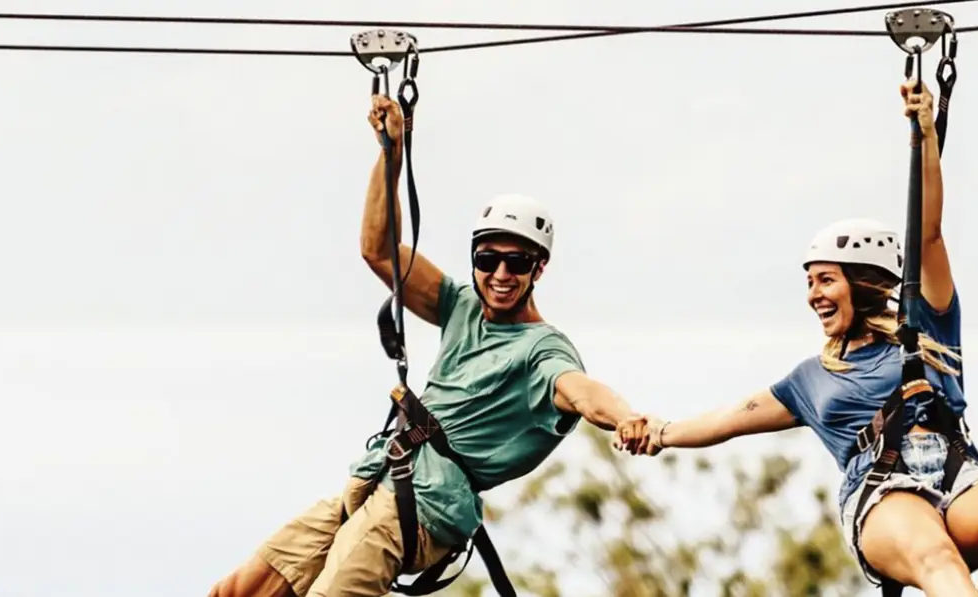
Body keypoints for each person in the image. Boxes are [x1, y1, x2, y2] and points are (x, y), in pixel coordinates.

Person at [613, 80, 978, 597]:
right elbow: (729, 420)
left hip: (958, 481)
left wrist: (926, 135)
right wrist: (658, 432)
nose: (813, 296)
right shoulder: (811, 380)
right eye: (810, 283)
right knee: (933, 555)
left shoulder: (929, 331)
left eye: (825, 280)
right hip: (883, 495)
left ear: (862, 283)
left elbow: (928, 233)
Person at [207, 94, 656, 597]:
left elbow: (581, 391)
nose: (501, 274)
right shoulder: (461, 307)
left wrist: (626, 418)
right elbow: (379, 250)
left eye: (517, 262)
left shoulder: (542, 351)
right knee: (237, 591)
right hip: (379, 476)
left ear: (539, 269)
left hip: (424, 505)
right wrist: (391, 154)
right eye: (488, 259)